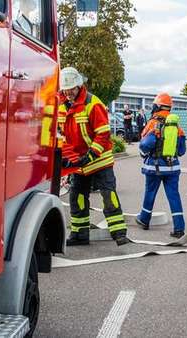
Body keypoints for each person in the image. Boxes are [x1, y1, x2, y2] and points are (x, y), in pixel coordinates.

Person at [57, 67, 130, 246]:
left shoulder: (92, 103)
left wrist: (90, 156)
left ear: (79, 86)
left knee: (108, 195)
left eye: (71, 89)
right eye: (65, 89)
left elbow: (103, 134)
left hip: (99, 161)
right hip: (79, 163)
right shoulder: (60, 106)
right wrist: (67, 158)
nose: (68, 93)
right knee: (77, 197)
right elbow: (60, 134)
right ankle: (80, 235)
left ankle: (119, 234)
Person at [136, 93, 187, 238]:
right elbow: (182, 151)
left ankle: (144, 220)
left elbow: (145, 144)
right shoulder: (176, 126)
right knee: (174, 196)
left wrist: (143, 153)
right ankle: (179, 228)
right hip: (173, 168)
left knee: (150, 193)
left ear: (156, 106)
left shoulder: (153, 123)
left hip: (154, 168)